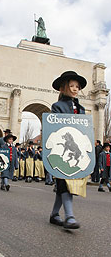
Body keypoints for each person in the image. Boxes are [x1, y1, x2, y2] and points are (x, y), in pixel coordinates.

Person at [49, 70, 87, 229]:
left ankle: (54, 214)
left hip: (76, 149)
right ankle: (69, 216)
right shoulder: (57, 106)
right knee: (65, 183)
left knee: (66, 184)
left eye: (77, 86)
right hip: (62, 151)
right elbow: (55, 127)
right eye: (71, 85)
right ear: (63, 88)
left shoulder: (82, 108)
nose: (75, 88)